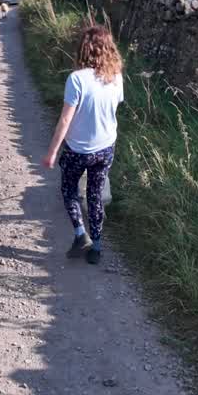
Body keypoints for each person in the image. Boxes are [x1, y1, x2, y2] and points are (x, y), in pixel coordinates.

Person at [41, 24, 123, 266]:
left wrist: (52, 152)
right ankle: (96, 248)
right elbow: (113, 107)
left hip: (78, 149)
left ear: (84, 50)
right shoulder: (116, 77)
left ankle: (80, 234)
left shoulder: (76, 79)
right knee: (95, 195)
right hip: (106, 147)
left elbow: (65, 119)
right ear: (109, 49)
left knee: (69, 191)